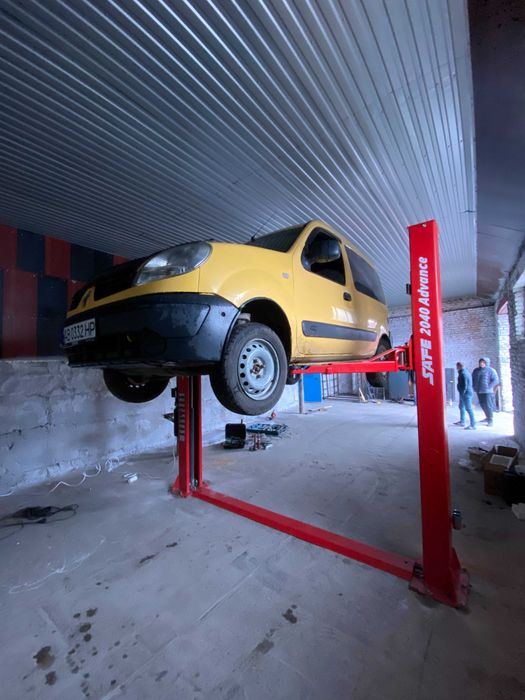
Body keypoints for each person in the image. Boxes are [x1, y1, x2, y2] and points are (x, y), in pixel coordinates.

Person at [472, 358, 499, 427]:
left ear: (486, 363)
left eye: (483, 362)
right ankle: (487, 417)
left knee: (488, 405)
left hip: (487, 392)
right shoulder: (476, 370)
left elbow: (496, 380)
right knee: (482, 404)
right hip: (479, 390)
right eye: (480, 362)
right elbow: (473, 379)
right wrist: (474, 386)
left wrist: (488, 387)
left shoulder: (491, 370)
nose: (481, 363)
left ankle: (490, 420)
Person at [454, 362, 476, 430]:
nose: (456, 367)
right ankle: (462, 421)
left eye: (457, 366)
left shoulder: (463, 374)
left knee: (469, 409)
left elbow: (465, 385)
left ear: (459, 366)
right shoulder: (464, 372)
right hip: (464, 393)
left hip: (466, 393)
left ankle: (473, 425)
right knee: (461, 407)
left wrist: (463, 392)